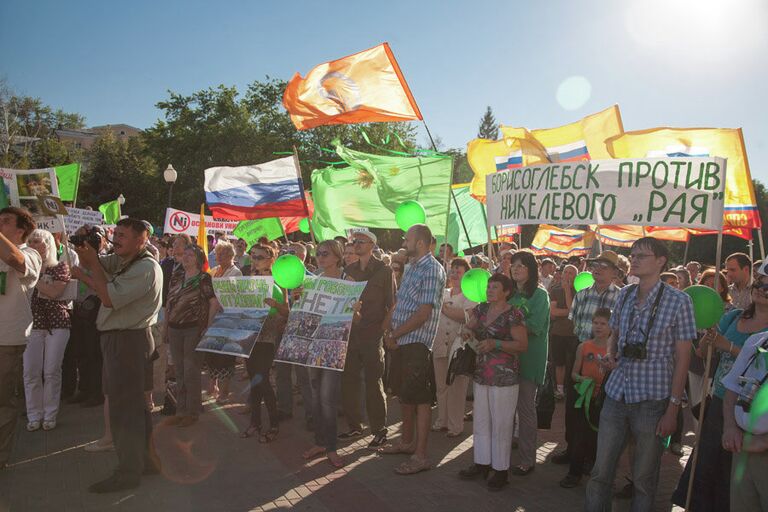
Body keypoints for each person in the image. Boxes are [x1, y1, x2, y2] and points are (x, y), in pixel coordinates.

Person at [585, 237, 697, 512]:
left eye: (641, 256)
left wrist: (673, 409)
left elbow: (683, 357)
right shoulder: (623, 294)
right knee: (601, 472)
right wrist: (612, 355)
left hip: (653, 400)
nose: (633, 259)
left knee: (644, 479)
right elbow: (616, 334)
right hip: (617, 392)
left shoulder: (679, 301)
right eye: (632, 254)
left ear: (660, 262)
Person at [72, 218, 162, 493]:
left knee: (125, 411)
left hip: (128, 341)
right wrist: (86, 246)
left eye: (123, 235)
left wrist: (84, 273)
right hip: (123, 340)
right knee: (135, 408)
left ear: (141, 239)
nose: (117, 239)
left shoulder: (145, 267)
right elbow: (96, 264)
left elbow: (108, 296)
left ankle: (127, 472)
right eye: (116, 234)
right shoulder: (127, 260)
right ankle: (145, 462)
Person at [671, 269, 768, 511]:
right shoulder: (733, 316)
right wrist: (708, 338)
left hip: (750, 408)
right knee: (705, 463)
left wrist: (730, 347)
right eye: (760, 283)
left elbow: (759, 362)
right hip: (720, 399)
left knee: (731, 472)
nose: (761, 288)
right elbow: (702, 353)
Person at [380, 224, 446, 475]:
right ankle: (406, 443)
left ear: (420, 243)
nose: (403, 242)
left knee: (420, 400)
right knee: (405, 395)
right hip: (401, 342)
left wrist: (395, 334)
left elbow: (423, 313)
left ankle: (421, 455)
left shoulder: (432, 269)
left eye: (407, 238)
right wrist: (388, 329)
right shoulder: (411, 267)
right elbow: (401, 303)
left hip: (416, 343)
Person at [458, 273, 528, 491]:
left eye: (494, 287)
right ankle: (482, 463)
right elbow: (469, 326)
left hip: (504, 376)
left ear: (506, 291)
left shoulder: (514, 314)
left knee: (501, 423)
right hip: (481, 373)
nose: (489, 290)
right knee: (481, 420)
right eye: (488, 287)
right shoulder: (481, 309)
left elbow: (522, 345)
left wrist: (495, 343)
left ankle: (500, 470)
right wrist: (467, 333)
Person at [553, 251, 621, 467]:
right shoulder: (581, 294)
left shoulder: (621, 297)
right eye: (595, 265)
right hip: (582, 352)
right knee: (574, 406)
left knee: (599, 409)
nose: (598, 270)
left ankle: (593, 456)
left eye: (604, 266)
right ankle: (572, 449)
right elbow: (575, 325)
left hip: (608, 358)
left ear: (615, 272)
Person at [339, 229, 395, 447]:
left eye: (361, 241)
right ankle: (354, 426)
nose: (356, 244)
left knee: (373, 382)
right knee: (349, 381)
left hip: (372, 333)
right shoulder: (349, 269)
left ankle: (379, 429)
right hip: (351, 334)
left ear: (372, 244)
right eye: (354, 241)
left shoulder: (384, 270)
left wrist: (384, 328)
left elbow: (392, 304)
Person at [0, 207, 41, 470]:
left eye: (4, 222)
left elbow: (16, 262)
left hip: (7, 339)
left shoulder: (31, 253)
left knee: (3, 401)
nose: (0, 226)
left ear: (21, 230)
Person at [302, 240, 348, 468]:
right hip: (313, 346)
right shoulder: (314, 281)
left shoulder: (346, 281)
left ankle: (331, 448)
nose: (320, 257)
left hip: (334, 347)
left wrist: (355, 311)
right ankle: (319, 442)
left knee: (328, 399)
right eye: (318, 253)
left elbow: (355, 318)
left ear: (337, 257)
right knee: (315, 398)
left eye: (325, 254)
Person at [163, 245, 219, 427]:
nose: (186, 257)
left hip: (193, 329)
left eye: (190, 255)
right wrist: (165, 327)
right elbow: (169, 303)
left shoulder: (204, 278)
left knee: (191, 371)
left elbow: (214, 303)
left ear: (198, 259)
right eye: (184, 254)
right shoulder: (176, 277)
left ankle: (192, 411)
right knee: (178, 371)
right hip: (174, 328)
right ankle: (180, 410)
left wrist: (208, 326)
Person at [23, 229, 71, 431]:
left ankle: (50, 414)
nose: (34, 245)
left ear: (49, 244)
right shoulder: (21, 268)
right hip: (30, 325)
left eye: (39, 241)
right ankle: (34, 415)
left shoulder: (60, 267)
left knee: (51, 371)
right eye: (31, 241)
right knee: (30, 372)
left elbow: (53, 292)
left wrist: (35, 274)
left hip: (56, 324)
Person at [507, 250, 550, 476]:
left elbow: (535, 326)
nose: (516, 268)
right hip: (507, 358)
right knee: (507, 409)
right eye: (513, 264)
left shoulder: (540, 295)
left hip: (529, 357)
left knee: (525, 409)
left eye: (522, 265)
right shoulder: (510, 294)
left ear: (531, 270)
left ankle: (527, 459)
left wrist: (511, 320)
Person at [560, 308, 611, 488]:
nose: (598, 327)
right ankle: (574, 472)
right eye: (595, 323)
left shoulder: (613, 349)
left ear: (611, 326)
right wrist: (582, 379)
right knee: (579, 435)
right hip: (585, 397)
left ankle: (595, 469)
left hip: (604, 399)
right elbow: (574, 373)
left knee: (600, 437)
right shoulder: (584, 346)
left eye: (603, 323)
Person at [240, 244, 285, 443]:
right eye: (254, 256)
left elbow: (286, 312)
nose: (256, 259)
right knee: (254, 381)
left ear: (271, 260)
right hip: (250, 336)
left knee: (263, 380)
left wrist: (275, 305)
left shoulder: (278, 282)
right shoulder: (249, 281)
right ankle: (255, 422)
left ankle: (274, 424)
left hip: (267, 337)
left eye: (261, 256)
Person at [721, 329, 768, 511]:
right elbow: (732, 387)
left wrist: (764, 442)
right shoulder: (758, 341)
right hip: (743, 448)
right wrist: (730, 427)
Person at [433, 258, 476, 437]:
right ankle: (441, 420)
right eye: (452, 270)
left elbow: (466, 317)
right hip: (440, 343)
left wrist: (445, 310)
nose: (455, 274)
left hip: (459, 346)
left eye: (459, 271)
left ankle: (455, 425)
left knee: (457, 387)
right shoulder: (443, 293)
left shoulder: (470, 295)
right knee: (441, 385)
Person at [206, 240, 242, 403]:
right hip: (212, 317)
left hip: (227, 319)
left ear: (231, 256)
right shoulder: (214, 270)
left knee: (226, 357)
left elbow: (230, 295)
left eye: (222, 254)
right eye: (217, 253)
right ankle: (213, 386)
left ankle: (224, 392)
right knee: (212, 354)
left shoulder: (236, 273)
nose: (219, 256)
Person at [549, 264, 578, 401]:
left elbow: (573, 309)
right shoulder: (555, 290)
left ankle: (570, 389)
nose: (567, 275)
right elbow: (553, 312)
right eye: (565, 272)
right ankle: (560, 390)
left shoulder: (580, 291)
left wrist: (567, 291)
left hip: (574, 333)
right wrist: (569, 313)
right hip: (558, 332)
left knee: (572, 362)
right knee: (559, 362)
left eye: (571, 273)